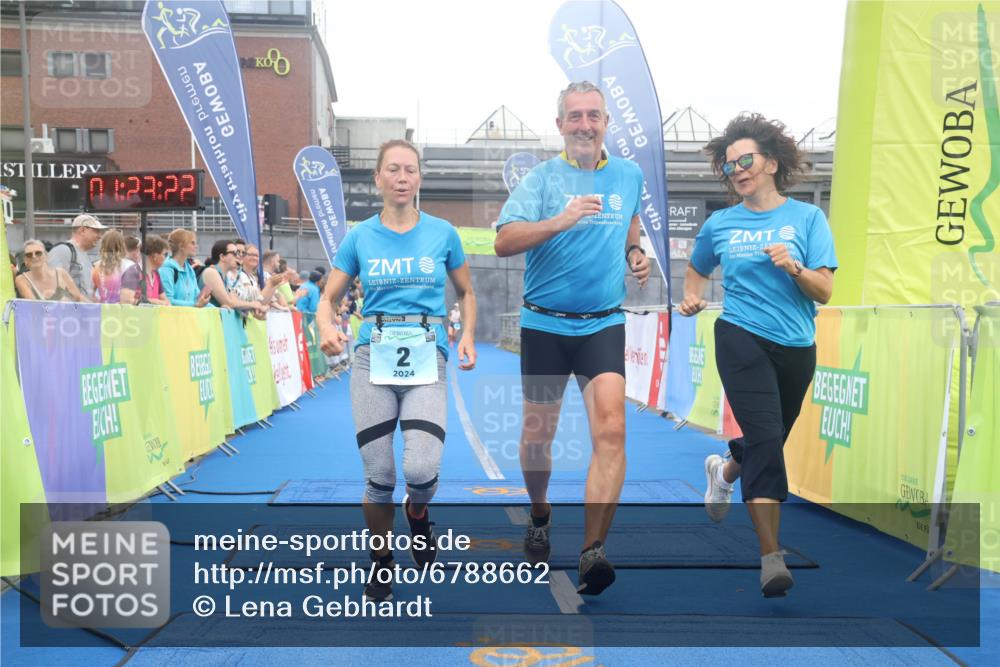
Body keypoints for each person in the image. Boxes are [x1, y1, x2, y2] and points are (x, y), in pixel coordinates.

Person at [494, 81, 650, 596]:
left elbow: (630, 223)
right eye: (575, 117)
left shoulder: (628, 174)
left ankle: (592, 552)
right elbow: (503, 241)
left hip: (603, 322)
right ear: (560, 124)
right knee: (538, 436)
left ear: (607, 122)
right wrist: (559, 220)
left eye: (594, 116)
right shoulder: (541, 180)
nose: (585, 124)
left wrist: (634, 253)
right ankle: (540, 513)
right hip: (545, 324)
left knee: (612, 430)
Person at [682, 113, 837, 598]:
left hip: (795, 346)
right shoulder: (721, 223)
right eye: (730, 166)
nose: (738, 170)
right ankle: (771, 556)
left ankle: (724, 469)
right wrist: (692, 295)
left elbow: (826, 290)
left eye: (746, 159)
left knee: (766, 440)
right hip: (740, 335)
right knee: (768, 438)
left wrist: (793, 266)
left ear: (771, 162)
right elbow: (697, 267)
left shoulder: (807, 219)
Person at [317, 139, 477, 602]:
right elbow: (327, 298)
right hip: (373, 353)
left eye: (410, 169)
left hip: (428, 352)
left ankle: (420, 513)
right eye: (393, 169)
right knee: (379, 475)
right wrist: (325, 325)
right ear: (378, 179)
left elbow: (466, 292)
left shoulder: (443, 233)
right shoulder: (359, 236)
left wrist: (465, 335)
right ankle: (382, 560)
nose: (402, 177)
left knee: (422, 469)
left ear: (419, 178)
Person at [200, 240, 266, 316]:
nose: (239, 256)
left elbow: (235, 301)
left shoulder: (225, 276)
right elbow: (228, 303)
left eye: (241, 253)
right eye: (235, 253)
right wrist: (254, 305)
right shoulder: (211, 272)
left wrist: (254, 307)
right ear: (222, 257)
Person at [48, 213, 106, 299]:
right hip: (68, 311)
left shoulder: (84, 255)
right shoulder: (63, 250)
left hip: (81, 310)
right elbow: (53, 286)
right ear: (83, 230)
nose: (99, 236)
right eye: (96, 231)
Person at [14, 239, 86, 302]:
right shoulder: (22, 279)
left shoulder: (61, 273)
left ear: (46, 256)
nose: (34, 256)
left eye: (38, 253)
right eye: (29, 255)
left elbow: (79, 297)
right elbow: (34, 305)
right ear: (25, 261)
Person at [159, 229, 210, 308]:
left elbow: (197, 298)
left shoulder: (189, 269)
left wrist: (221, 309)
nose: (196, 246)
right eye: (192, 243)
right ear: (181, 246)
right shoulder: (166, 269)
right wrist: (195, 305)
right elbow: (167, 301)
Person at [92, 230, 137, 304]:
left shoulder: (96, 266)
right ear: (122, 245)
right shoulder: (129, 266)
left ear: (103, 245)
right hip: (122, 312)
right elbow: (127, 299)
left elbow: (90, 294)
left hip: (103, 311)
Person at [122, 234, 170, 305]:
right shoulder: (133, 272)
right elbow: (125, 301)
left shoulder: (156, 273)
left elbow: (166, 302)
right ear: (155, 256)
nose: (166, 258)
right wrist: (151, 302)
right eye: (165, 254)